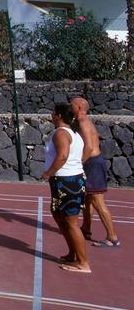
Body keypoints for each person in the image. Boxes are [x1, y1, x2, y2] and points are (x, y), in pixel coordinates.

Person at [42, 102, 91, 273]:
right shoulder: (73, 133)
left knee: (71, 222)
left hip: (66, 181)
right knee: (58, 215)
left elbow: (63, 155)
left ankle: (83, 263)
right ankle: (73, 253)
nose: (51, 115)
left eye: (53, 112)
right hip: (67, 180)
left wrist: (49, 172)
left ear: (59, 116)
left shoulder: (61, 133)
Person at [72, 96, 120, 248]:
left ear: (79, 107)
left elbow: (89, 147)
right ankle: (86, 230)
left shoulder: (83, 123)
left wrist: (79, 164)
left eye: (72, 104)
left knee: (97, 202)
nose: (70, 106)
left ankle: (112, 238)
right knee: (87, 200)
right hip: (91, 164)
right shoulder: (81, 122)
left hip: (92, 164)